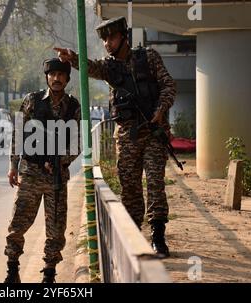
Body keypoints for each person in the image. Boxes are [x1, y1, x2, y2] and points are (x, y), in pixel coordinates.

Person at [55, 16, 176, 258]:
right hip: (127, 136)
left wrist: (160, 110)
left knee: (154, 182)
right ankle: (132, 236)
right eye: (104, 40)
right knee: (129, 187)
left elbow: (168, 86)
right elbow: (91, 67)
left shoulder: (148, 58)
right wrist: (73, 58)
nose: (108, 43)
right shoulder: (109, 67)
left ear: (124, 37)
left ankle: (158, 235)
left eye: (112, 37)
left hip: (153, 133)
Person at [4, 58, 81, 283]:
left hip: (56, 177)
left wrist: (59, 160)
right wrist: (13, 166)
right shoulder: (32, 100)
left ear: (67, 78)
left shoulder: (73, 106)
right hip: (30, 173)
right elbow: (18, 134)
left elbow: (77, 142)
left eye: (61, 75)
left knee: (56, 229)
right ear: (46, 77)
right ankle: (12, 270)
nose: (56, 78)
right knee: (18, 224)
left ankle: (49, 273)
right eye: (52, 74)